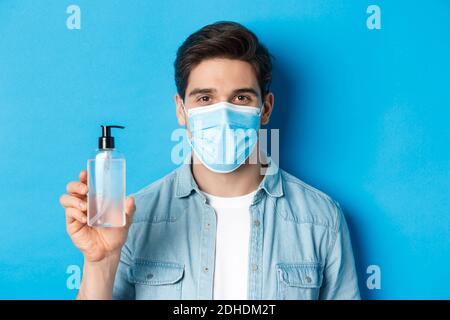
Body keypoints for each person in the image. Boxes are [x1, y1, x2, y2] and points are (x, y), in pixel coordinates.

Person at [59, 21, 360, 300]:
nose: (223, 114)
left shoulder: (321, 220)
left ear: (265, 108)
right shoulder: (134, 218)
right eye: (205, 99)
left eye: (241, 98)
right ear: (181, 109)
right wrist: (100, 261)